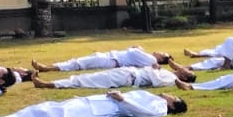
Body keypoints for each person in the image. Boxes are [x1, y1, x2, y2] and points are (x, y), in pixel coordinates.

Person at [5, 89, 185, 117]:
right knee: (50, 107)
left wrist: (123, 100)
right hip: (102, 101)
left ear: (173, 104)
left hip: (107, 107)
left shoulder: (160, 106)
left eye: (173, 96)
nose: (169, 94)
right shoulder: (154, 98)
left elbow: (145, 114)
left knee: (55, 113)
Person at [34, 64, 193, 89]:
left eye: (186, 72)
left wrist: (153, 70)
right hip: (127, 71)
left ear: (185, 78)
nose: (183, 69)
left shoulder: (172, 79)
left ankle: (48, 84)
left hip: (128, 78)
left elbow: (157, 82)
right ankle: (52, 83)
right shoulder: (169, 72)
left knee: (87, 80)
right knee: (91, 76)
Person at [32, 45, 172, 73]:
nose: (159, 52)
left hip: (112, 60)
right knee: (78, 61)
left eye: (162, 53)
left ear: (161, 59)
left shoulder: (150, 59)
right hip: (111, 57)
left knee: (79, 63)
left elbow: (133, 51)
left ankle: (46, 68)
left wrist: (138, 48)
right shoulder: (149, 60)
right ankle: (48, 67)